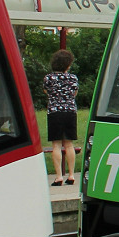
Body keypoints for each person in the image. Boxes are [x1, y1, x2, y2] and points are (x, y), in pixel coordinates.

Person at [43, 49, 79, 186]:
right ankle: (71, 175)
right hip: (70, 111)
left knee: (56, 144)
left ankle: (58, 176)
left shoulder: (49, 78)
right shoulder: (73, 78)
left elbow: (47, 91)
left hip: (54, 112)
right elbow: (74, 93)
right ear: (67, 64)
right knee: (69, 144)